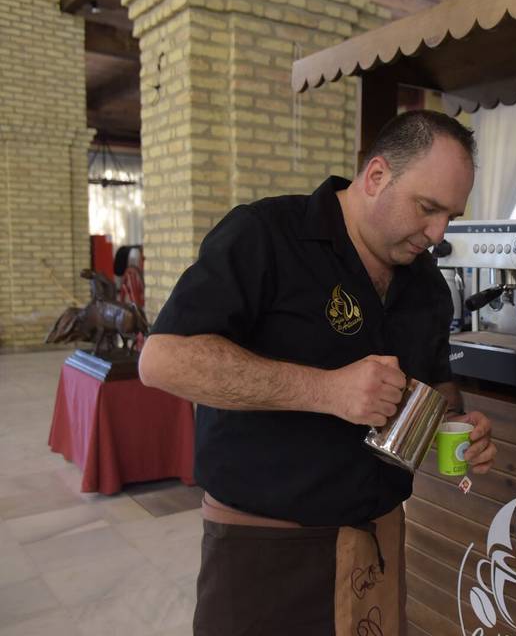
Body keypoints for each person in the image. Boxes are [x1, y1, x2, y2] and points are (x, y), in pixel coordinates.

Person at [138, 110, 497, 636]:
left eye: (452, 216)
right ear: (376, 177)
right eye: (428, 208)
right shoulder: (267, 236)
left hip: (377, 542)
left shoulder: (426, 285)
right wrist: (326, 389)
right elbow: (164, 359)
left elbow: (436, 383)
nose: (439, 233)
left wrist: (454, 427)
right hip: (265, 551)